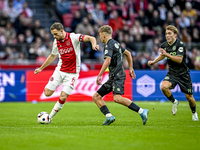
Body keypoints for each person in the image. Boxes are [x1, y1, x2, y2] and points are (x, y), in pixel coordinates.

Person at [34, 22, 99, 123]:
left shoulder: (73, 37)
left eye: (55, 34)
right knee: (47, 93)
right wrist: (41, 68)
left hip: (72, 74)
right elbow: (52, 56)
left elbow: (91, 38)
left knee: (63, 96)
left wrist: (94, 44)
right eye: (53, 35)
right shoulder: (56, 42)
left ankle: (49, 117)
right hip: (60, 71)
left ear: (61, 31)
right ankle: (48, 116)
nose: (54, 36)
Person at [92, 25, 148, 125]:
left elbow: (107, 60)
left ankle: (141, 111)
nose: (100, 38)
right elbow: (128, 53)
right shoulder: (116, 43)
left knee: (117, 98)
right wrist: (131, 68)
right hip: (114, 76)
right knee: (96, 96)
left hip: (118, 76)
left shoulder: (109, 45)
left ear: (104, 35)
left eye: (100, 35)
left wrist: (100, 75)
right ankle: (109, 116)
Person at [147, 25, 199, 121]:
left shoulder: (180, 45)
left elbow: (179, 60)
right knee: (163, 87)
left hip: (183, 74)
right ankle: (174, 101)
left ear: (175, 34)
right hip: (172, 73)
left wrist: (166, 54)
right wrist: (154, 61)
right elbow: (162, 56)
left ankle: (194, 112)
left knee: (189, 97)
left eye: (170, 33)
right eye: (166, 33)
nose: (167, 35)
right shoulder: (164, 45)